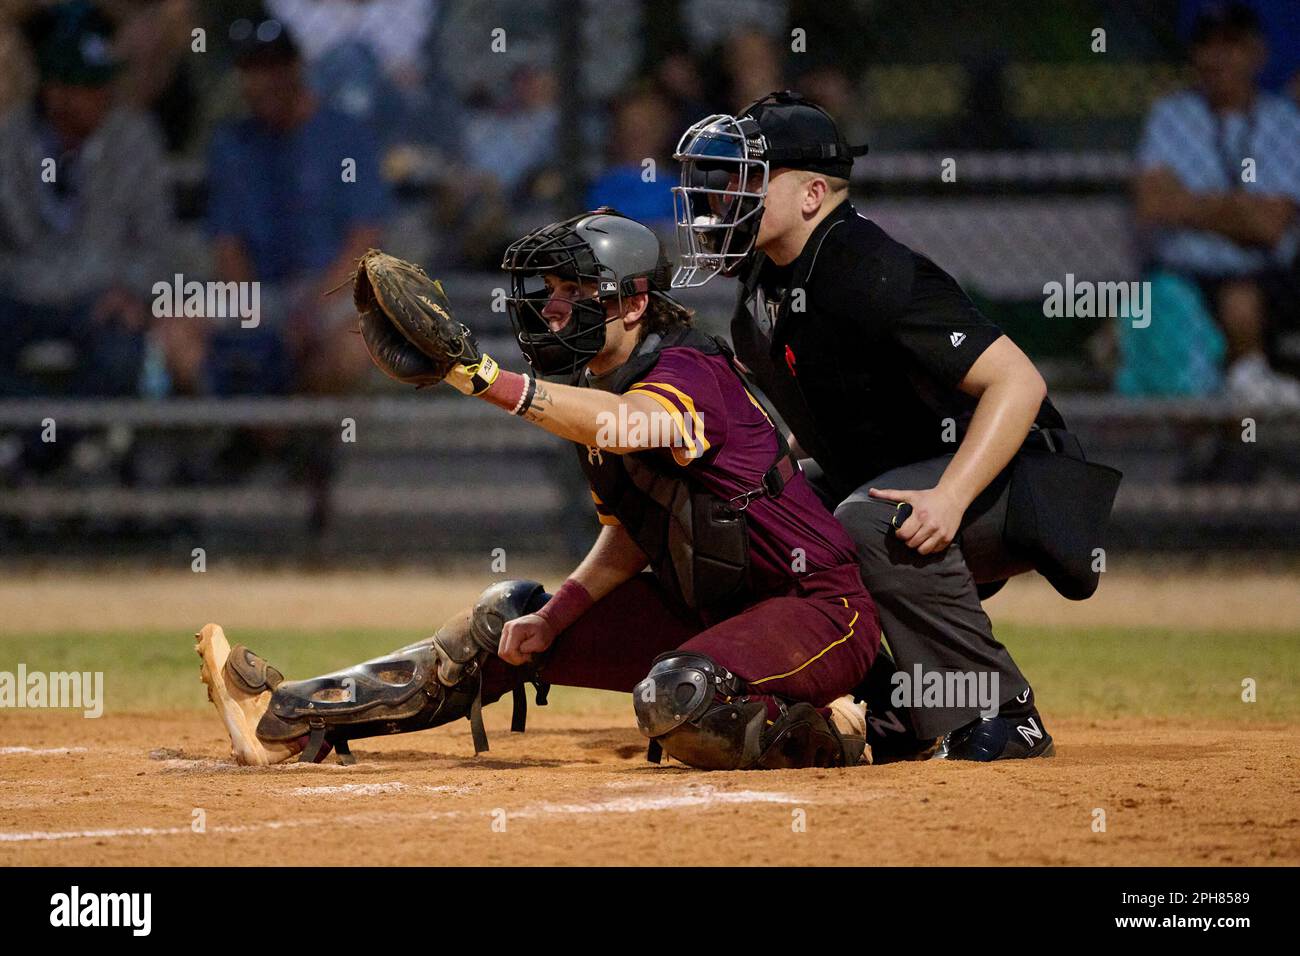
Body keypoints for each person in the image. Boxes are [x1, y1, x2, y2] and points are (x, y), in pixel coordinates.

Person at [195, 209, 880, 771]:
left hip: (814, 608)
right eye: (550, 290)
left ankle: (836, 726)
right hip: (708, 612)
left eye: (577, 292)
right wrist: (556, 618)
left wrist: (485, 378)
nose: (554, 308)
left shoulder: (686, 367)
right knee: (506, 620)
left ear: (636, 301)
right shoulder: (593, 386)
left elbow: (627, 427)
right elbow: (628, 536)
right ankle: (288, 717)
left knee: (678, 698)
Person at [673, 92, 1120, 761]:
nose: (727, 195)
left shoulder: (864, 265)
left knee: (867, 520)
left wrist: (950, 497)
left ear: (812, 193)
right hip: (908, 473)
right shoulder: (768, 288)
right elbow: (823, 425)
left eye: (749, 178)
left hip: (1020, 478)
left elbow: (1018, 382)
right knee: (751, 522)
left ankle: (1001, 709)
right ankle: (897, 707)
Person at [160, 25, 388, 395]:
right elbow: (227, 243)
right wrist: (257, 321)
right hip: (260, 292)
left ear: (295, 68)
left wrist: (312, 311)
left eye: (272, 67)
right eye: (251, 69)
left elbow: (363, 243)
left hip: (329, 288)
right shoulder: (232, 143)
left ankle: (296, 433)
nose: (260, 81)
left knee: (355, 345)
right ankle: (240, 427)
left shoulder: (346, 135)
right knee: (174, 328)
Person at [0, 0, 173, 398]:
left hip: (100, 295)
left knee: (122, 355)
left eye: (103, 83)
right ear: (55, 92)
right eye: (87, 86)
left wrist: (134, 290)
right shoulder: (11, 141)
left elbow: (157, 243)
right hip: (22, 292)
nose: (103, 96)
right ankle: (42, 441)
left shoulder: (134, 138)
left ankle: (63, 444)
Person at [1135, 2, 1300, 403]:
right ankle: (1241, 391)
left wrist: (1189, 203)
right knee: (1172, 301)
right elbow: (1153, 203)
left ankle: (1248, 384)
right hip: (1186, 273)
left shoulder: (1283, 120)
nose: (1217, 58)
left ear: (1257, 53)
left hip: (1267, 275)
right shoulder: (1171, 116)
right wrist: (1241, 210)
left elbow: (1271, 225)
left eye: (1232, 45)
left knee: (1241, 295)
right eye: (1206, 45)